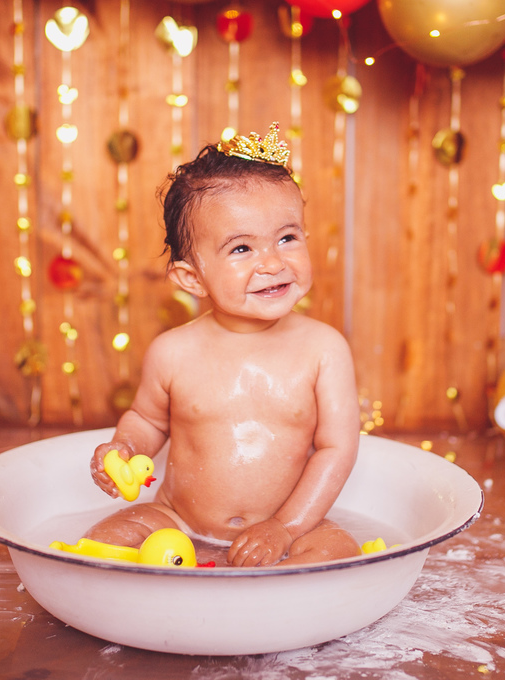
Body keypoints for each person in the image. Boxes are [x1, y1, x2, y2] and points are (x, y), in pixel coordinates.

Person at [86, 123, 362, 568]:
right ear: (192, 278)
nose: (272, 262)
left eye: (287, 238)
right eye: (241, 249)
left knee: (336, 554)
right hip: (177, 521)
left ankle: (282, 593)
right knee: (106, 538)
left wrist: (286, 528)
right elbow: (146, 420)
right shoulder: (173, 353)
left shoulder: (323, 351)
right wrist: (123, 449)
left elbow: (338, 449)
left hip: (290, 524)